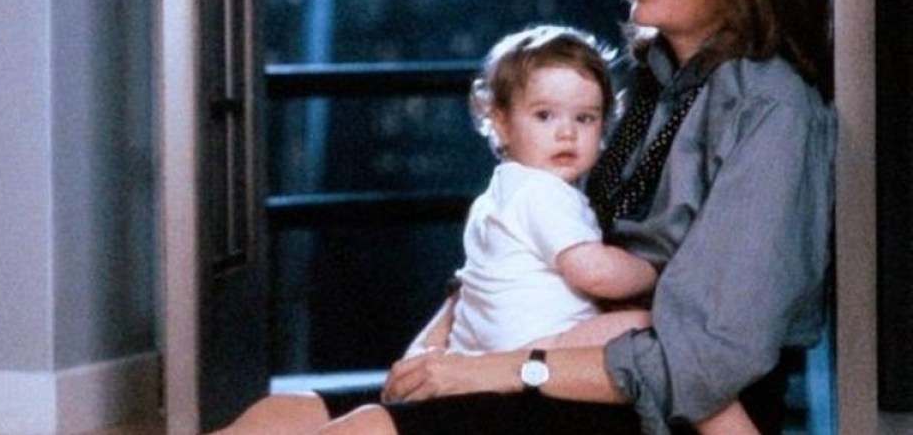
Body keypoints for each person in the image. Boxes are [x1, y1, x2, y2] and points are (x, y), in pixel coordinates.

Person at [214, 0, 836, 435]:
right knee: (291, 412)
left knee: (370, 428)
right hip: (564, 349)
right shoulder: (653, 85)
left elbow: (700, 363)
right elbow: (537, 235)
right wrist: (434, 347)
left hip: (664, 399)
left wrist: (497, 370)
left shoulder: (772, 111)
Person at [208, 25, 756, 435]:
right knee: (642, 326)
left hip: (475, 343)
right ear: (498, 120)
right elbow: (593, 271)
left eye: (585, 119)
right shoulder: (545, 195)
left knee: (299, 408)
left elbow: (474, 280)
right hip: (530, 351)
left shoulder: (502, 190)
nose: (567, 133)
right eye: (545, 116)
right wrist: (654, 271)